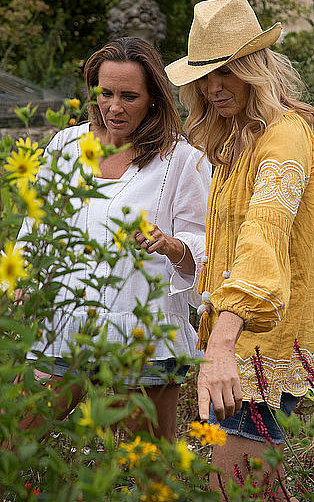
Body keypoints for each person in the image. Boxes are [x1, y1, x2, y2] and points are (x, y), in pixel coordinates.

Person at [165, 0, 314, 497]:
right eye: (204, 75)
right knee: (259, 490)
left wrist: (223, 341)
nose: (214, 87)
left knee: (232, 489)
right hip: (242, 339)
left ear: (255, 67)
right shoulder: (235, 138)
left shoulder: (284, 138)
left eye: (228, 71)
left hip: (263, 344)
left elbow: (264, 233)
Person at [17, 37, 211, 442]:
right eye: (106, 94)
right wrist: (23, 284)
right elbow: (36, 230)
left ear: (155, 97)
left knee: (147, 464)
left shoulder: (181, 159)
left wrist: (173, 245)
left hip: (144, 331)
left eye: (129, 96)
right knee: (14, 438)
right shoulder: (67, 147)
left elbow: (205, 246)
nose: (114, 108)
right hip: (66, 323)